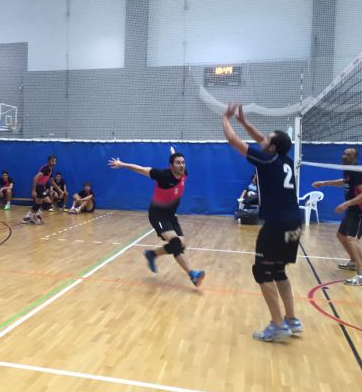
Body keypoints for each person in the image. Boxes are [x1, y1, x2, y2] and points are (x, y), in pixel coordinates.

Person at [222, 102, 302, 342]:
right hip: (294, 221)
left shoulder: (267, 160)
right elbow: (262, 140)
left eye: (268, 139)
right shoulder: (285, 160)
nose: (262, 140)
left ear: (272, 147)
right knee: (278, 270)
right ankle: (291, 319)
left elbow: (233, 140)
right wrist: (244, 122)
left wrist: (225, 118)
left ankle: (278, 326)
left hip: (277, 222)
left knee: (262, 270)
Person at [108, 153, 205, 288]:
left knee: (181, 245)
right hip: (157, 214)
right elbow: (140, 169)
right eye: (178, 163)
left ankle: (152, 254)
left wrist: (174, 154)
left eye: (183, 162)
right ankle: (192, 274)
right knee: (175, 243)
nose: (182, 165)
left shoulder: (184, 173)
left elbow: (177, 162)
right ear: (171, 165)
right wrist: (122, 164)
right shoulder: (162, 175)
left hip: (171, 215)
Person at [313, 148, 362, 286]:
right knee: (341, 235)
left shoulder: (357, 171)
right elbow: (345, 182)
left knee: (352, 239)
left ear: (355, 157)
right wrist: (325, 183)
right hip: (353, 210)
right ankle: (354, 262)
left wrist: (346, 204)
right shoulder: (348, 169)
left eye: (348, 154)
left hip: (361, 211)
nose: (344, 156)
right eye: (344, 153)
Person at [23, 155, 57, 225]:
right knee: (48, 203)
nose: (54, 163)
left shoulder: (51, 169)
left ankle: (27, 218)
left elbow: (52, 181)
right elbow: (35, 178)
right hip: (39, 187)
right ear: (48, 161)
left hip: (41, 187)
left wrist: (60, 190)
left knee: (38, 204)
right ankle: (36, 215)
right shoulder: (46, 169)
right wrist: (33, 191)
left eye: (55, 161)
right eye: (52, 161)